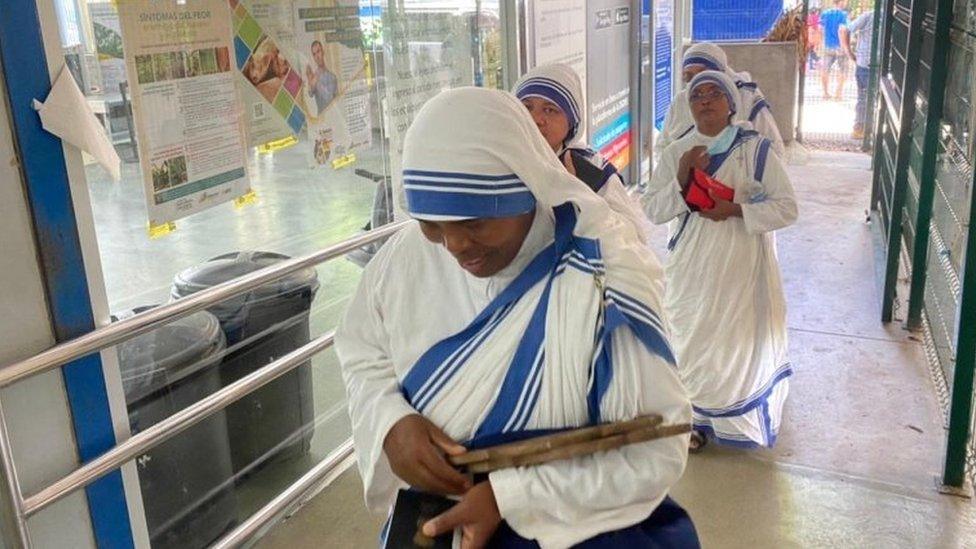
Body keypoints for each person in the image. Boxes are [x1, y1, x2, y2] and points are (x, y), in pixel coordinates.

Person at [336, 87, 698, 547]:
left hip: (574, 531)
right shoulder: (405, 256)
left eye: (474, 224)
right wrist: (388, 421)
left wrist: (513, 496)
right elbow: (361, 346)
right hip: (432, 523)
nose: (454, 246)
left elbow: (657, 445)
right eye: (433, 225)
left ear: (528, 188)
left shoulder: (603, 279)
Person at [643, 71, 797, 452]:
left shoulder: (755, 150)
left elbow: (787, 208)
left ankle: (729, 421)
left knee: (731, 342)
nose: (706, 101)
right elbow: (653, 209)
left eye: (715, 94)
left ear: (731, 104)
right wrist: (681, 181)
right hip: (690, 266)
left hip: (737, 265)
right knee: (690, 337)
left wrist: (735, 210)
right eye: (698, 96)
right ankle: (692, 420)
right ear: (689, 106)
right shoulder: (676, 150)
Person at [514, 63, 651, 244]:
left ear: (571, 123)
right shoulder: (503, 163)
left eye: (550, 110)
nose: (536, 119)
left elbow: (634, 241)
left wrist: (579, 199)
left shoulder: (591, 170)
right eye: (527, 107)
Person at [658, 43, 785, 159]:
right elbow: (662, 146)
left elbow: (774, 151)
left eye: (704, 74)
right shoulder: (680, 101)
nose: (697, 81)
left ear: (721, 74)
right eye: (689, 76)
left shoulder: (745, 98)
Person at [843, 9, 875, 140]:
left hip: (872, 64)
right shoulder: (868, 15)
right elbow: (845, 29)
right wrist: (848, 52)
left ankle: (865, 129)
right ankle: (860, 128)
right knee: (864, 98)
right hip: (865, 65)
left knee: (866, 98)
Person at [820, 0, 849, 100]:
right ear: (841, 1)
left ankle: (825, 93)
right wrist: (844, 46)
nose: (846, 2)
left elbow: (821, 29)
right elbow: (842, 30)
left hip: (828, 45)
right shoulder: (843, 15)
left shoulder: (825, 14)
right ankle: (838, 94)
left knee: (825, 69)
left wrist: (821, 43)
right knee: (843, 70)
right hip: (840, 46)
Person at [306, 40, 338, 112]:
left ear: (323, 52)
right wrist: (309, 78)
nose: (317, 56)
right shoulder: (313, 76)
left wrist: (315, 80)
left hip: (334, 119)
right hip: (321, 120)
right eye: (314, 54)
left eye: (318, 51)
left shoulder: (332, 77)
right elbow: (310, 93)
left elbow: (329, 99)